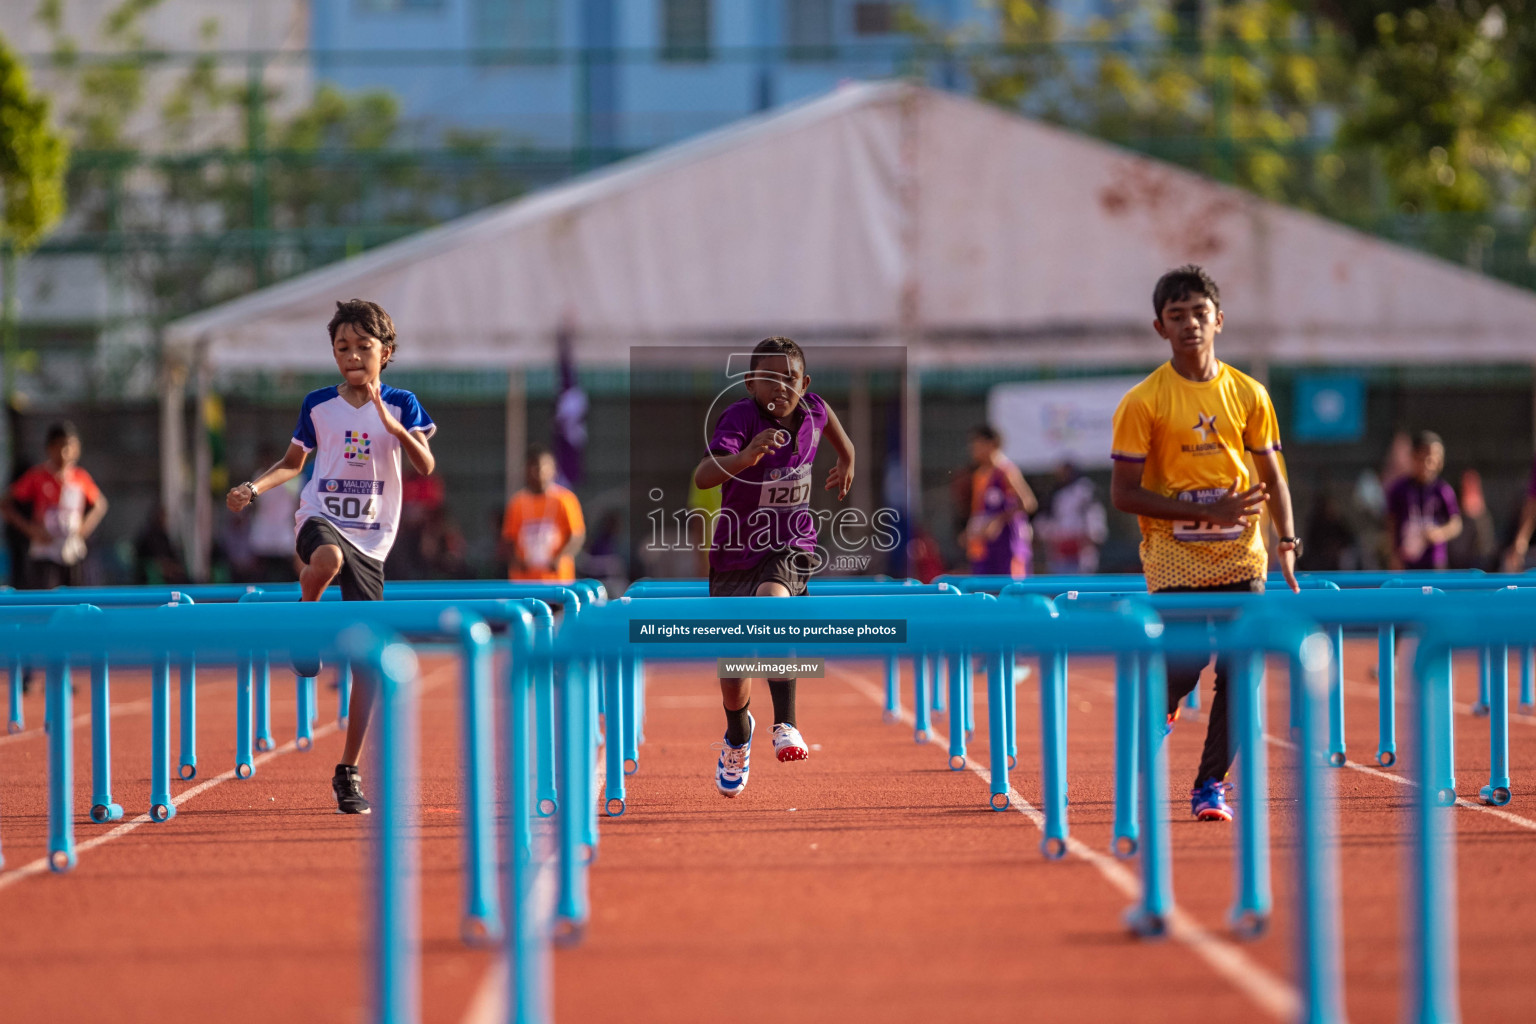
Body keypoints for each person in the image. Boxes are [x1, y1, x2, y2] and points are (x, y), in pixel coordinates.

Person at [225, 299, 437, 815]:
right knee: (326, 561)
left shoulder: (404, 403)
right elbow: (293, 462)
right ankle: (305, 624)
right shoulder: (319, 404)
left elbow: (426, 466)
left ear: (385, 353)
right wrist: (252, 488)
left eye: (363, 347)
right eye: (342, 347)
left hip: (374, 537)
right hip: (319, 517)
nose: (352, 356)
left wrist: (392, 422)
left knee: (369, 659)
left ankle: (348, 770)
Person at [1109, 265, 1299, 823]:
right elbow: (1123, 493)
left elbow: (1273, 474)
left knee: (1242, 668)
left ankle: (1210, 784)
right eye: (1176, 316)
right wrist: (1201, 510)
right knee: (1185, 664)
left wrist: (1287, 538)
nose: (1190, 324)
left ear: (1218, 318)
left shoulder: (1248, 393)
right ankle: (1159, 712)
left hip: (1244, 551)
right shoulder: (1143, 401)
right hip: (1174, 553)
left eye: (1199, 312)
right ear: (1159, 327)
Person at [693, 336, 855, 797]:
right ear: (750, 383)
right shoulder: (739, 419)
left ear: (805, 384)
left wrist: (847, 462)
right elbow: (704, 475)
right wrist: (745, 458)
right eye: (769, 377)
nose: (780, 387)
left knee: (772, 606)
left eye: (790, 378)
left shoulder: (816, 410)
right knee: (733, 674)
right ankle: (738, 737)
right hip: (733, 551)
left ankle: (786, 723)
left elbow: (841, 439)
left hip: (790, 544)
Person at [1, 421, 109, 590]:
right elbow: (5, 503)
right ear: (49, 448)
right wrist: (30, 529)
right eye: (59, 447)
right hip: (46, 552)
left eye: (69, 447)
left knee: (76, 602)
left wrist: (83, 528)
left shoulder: (80, 478)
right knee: (47, 602)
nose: (64, 453)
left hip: (72, 552)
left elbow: (100, 505)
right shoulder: (37, 476)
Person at [502, 444, 585, 583]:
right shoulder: (517, 503)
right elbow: (508, 539)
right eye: (533, 467)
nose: (538, 473)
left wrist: (559, 558)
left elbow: (576, 536)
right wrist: (517, 560)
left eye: (542, 467)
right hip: (524, 581)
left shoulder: (564, 500)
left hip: (557, 581)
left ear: (553, 470)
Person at [962, 425, 1037, 577]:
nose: (973, 450)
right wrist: (971, 530)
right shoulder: (979, 475)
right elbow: (980, 510)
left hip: (1007, 545)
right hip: (985, 547)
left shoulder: (1006, 471)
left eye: (978, 445)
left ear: (992, 444)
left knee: (1008, 592)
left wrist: (998, 520)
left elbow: (1028, 503)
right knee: (984, 592)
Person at [1384, 431, 1461, 571]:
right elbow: (1391, 523)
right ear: (1413, 458)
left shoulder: (1443, 490)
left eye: (1431, 460)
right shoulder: (1399, 489)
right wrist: (1393, 555)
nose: (1426, 465)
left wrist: (1439, 533)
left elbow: (1455, 523)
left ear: (1439, 461)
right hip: (1405, 558)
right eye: (1421, 458)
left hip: (1434, 560)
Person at [1041, 461, 1107, 574]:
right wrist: (1051, 538)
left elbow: (1095, 518)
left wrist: (1091, 536)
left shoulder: (1085, 489)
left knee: (1083, 585)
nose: (1063, 475)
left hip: (1082, 548)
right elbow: (1046, 520)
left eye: (1066, 471)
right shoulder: (1056, 493)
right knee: (1061, 585)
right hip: (1060, 548)